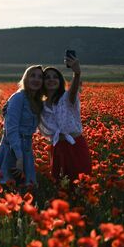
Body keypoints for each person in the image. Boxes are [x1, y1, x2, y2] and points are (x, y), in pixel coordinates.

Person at [39, 53, 92, 184]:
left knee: (80, 183)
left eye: (55, 77)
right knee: (60, 183)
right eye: (47, 77)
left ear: (60, 81)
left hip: (75, 146)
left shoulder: (67, 98)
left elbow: (73, 90)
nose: (51, 80)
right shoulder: (41, 106)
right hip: (57, 148)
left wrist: (77, 73)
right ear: (43, 82)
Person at [0, 65, 43, 188]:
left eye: (40, 77)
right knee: (8, 189)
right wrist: (19, 157)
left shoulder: (37, 102)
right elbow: (11, 129)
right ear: (25, 78)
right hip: (12, 149)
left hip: (26, 148)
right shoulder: (18, 98)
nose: (36, 79)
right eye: (32, 76)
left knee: (25, 190)